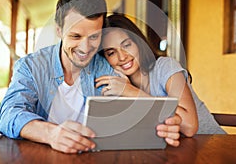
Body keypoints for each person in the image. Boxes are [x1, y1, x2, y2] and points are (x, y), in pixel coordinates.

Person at [0, 0, 115, 154]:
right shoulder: (31, 67)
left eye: (94, 37)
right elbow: (9, 114)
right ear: (59, 30)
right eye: (75, 36)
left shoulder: (105, 67)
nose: (85, 47)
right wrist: (51, 133)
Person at [96, 14, 225, 136]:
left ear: (139, 42)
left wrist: (133, 93)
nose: (122, 56)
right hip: (175, 153)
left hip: (211, 146)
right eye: (111, 53)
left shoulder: (165, 66)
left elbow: (190, 126)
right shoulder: (119, 85)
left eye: (127, 45)